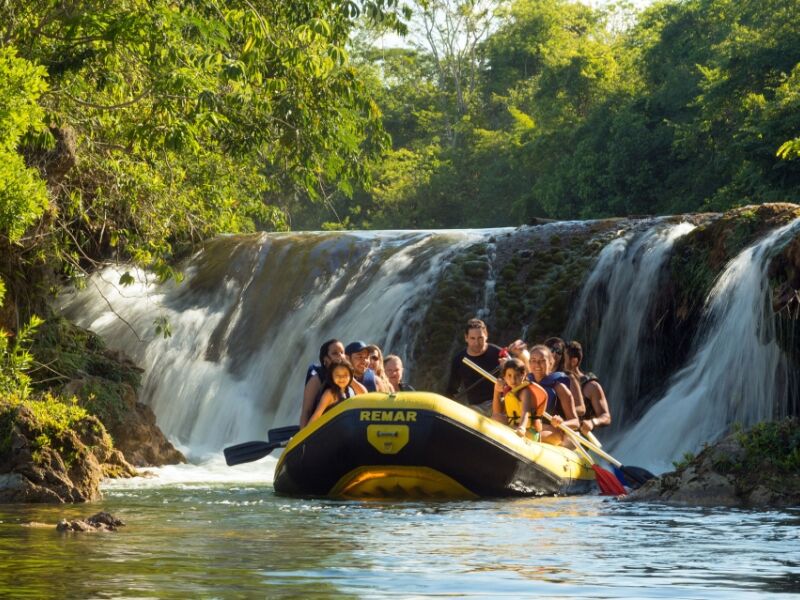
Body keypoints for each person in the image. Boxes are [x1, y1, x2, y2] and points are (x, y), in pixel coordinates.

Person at [445, 318, 503, 415]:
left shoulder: (498, 353)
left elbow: (518, 379)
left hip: (500, 402)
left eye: (480, 338)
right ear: (466, 338)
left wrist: (506, 367)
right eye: (472, 338)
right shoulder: (459, 360)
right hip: (476, 408)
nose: (476, 343)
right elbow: (452, 390)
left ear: (486, 336)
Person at [528, 344, 579, 446]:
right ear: (529, 363)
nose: (537, 364)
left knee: (529, 435)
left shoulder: (560, 388)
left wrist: (561, 423)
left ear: (551, 363)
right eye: (533, 360)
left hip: (550, 430)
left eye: (542, 361)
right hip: (528, 424)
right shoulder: (525, 381)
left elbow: (576, 422)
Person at [565, 340, 612, 437]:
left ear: (573, 361)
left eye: (562, 359)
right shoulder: (556, 380)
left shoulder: (591, 386)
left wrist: (592, 422)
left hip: (579, 441)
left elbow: (606, 416)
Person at [491, 358, 546, 440]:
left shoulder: (525, 392)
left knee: (497, 420)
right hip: (514, 424)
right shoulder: (509, 391)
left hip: (528, 431)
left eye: (517, 376)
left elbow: (526, 410)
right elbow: (497, 411)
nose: (513, 380)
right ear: (504, 377)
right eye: (509, 376)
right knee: (495, 417)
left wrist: (522, 427)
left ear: (523, 375)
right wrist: (496, 391)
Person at [300, 339, 349, 427]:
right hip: (320, 429)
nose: (340, 356)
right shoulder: (317, 379)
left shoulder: (347, 377)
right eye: (335, 353)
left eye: (342, 352)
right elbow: (306, 411)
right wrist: (302, 436)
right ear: (325, 359)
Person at [308, 358, 360, 424]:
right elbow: (317, 415)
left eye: (345, 375)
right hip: (330, 429)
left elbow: (365, 395)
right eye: (338, 375)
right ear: (332, 376)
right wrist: (305, 433)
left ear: (351, 376)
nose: (341, 378)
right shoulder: (330, 394)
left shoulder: (350, 390)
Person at [544, 336, 585, 418]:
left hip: (556, 423)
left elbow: (581, 408)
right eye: (551, 349)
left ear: (562, 356)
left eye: (558, 351)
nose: (554, 353)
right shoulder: (536, 374)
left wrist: (561, 413)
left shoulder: (568, 377)